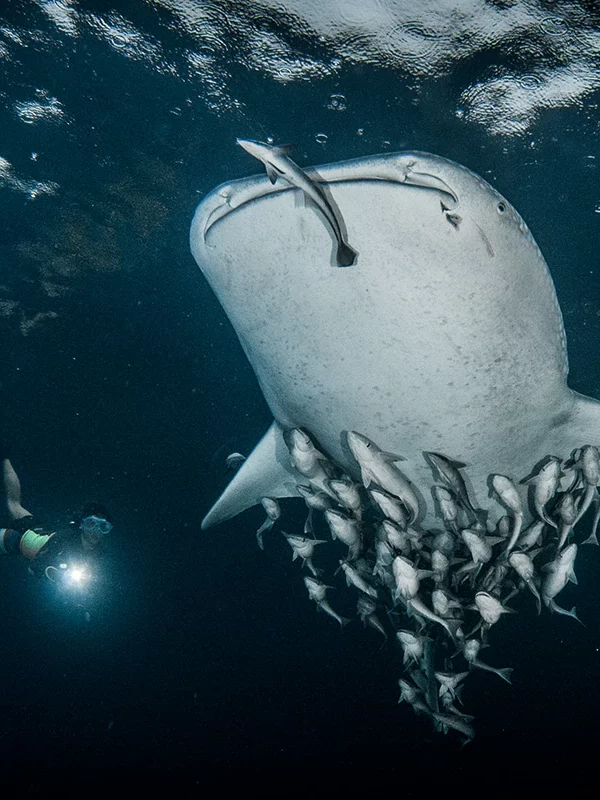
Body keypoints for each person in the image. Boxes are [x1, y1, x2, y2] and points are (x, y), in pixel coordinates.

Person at [0, 441, 113, 582]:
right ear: (82, 525)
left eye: (103, 527)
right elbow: (34, 567)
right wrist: (54, 574)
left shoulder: (100, 553)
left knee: (14, 504)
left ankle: (4, 457)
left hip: (40, 529)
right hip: (17, 539)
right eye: (91, 523)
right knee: (13, 504)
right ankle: (5, 457)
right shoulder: (63, 539)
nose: (96, 530)